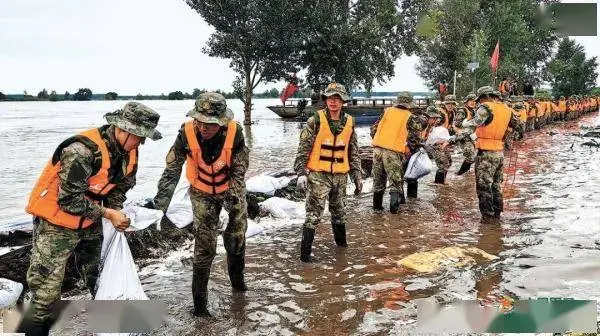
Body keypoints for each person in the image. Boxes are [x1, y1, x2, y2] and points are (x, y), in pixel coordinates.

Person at [18, 102, 162, 335]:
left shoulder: (129, 152)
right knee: (46, 294)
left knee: (101, 279)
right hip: (56, 224)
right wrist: (108, 214)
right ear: (123, 129)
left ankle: (111, 331)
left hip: (89, 221)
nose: (142, 142)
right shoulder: (80, 150)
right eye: (140, 136)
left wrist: (117, 212)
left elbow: (119, 187)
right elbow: (69, 200)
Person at [150, 92, 249, 317]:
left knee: (236, 241)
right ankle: (200, 309)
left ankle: (239, 289)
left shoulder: (235, 134)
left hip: (231, 191)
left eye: (210, 123)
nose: (204, 127)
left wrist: (228, 202)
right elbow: (171, 172)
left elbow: (239, 171)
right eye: (200, 120)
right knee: (205, 248)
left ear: (222, 122)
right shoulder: (185, 134)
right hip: (202, 192)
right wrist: (159, 207)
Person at [294, 82, 362, 262]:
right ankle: (305, 257)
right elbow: (303, 148)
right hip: (318, 175)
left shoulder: (349, 122)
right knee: (313, 215)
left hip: (340, 176)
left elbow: (353, 151)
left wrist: (357, 175)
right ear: (326, 100)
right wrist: (301, 173)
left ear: (343, 101)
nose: (333, 102)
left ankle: (342, 251)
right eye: (330, 98)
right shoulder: (315, 120)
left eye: (337, 98)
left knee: (340, 213)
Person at [449, 86, 523, 220]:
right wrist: (507, 135)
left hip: (486, 154)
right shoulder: (507, 109)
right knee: (496, 186)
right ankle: (497, 216)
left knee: (484, 187)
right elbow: (520, 127)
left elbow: (473, 126)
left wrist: (452, 139)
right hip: (499, 154)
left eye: (480, 100)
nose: (479, 102)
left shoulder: (485, 108)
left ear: (484, 97)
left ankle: (487, 219)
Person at [370, 92, 422, 213]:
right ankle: (394, 213)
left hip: (377, 150)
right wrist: (409, 149)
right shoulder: (410, 116)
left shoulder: (386, 111)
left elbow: (373, 130)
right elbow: (415, 139)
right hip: (393, 152)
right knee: (395, 182)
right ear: (409, 104)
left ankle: (377, 211)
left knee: (378, 181)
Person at [452, 93, 477, 175]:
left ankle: (465, 174)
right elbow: (457, 124)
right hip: (464, 137)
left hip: (471, 137)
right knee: (471, 157)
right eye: (471, 101)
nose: (473, 102)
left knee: (471, 156)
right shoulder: (462, 111)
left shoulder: (473, 111)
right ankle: (459, 174)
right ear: (466, 102)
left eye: (474, 101)